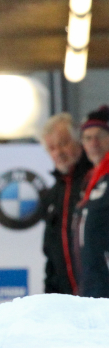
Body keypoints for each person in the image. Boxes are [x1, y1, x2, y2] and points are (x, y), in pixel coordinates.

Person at [40, 113, 92, 295]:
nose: (58, 152)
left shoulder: (96, 181)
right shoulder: (53, 194)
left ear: (79, 142)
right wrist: (50, 298)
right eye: (52, 148)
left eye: (63, 143)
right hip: (68, 301)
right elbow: (51, 256)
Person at [76, 106, 109, 298]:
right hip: (90, 281)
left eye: (99, 136)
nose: (93, 143)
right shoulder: (89, 179)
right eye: (88, 138)